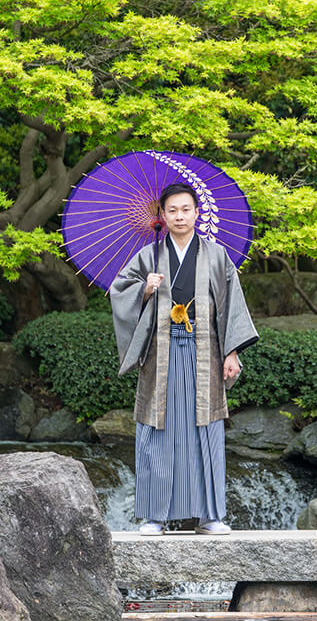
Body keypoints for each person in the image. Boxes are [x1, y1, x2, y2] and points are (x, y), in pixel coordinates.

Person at [109, 181, 258, 535]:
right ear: (162, 214)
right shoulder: (148, 257)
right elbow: (119, 290)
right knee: (157, 429)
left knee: (203, 429)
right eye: (172, 210)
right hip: (160, 356)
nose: (179, 216)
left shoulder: (217, 256)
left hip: (204, 351)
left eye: (185, 209)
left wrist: (231, 351)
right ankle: (153, 516)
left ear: (196, 213)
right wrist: (145, 288)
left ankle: (210, 516)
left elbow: (230, 306)